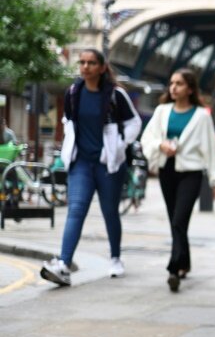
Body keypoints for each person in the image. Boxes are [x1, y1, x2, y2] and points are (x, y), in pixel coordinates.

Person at [40, 49, 142, 286]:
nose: (85, 67)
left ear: (102, 67)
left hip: (109, 164)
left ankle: (116, 258)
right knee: (75, 210)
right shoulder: (74, 92)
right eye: (82, 62)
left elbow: (134, 122)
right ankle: (64, 264)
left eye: (91, 63)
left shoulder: (115, 95)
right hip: (81, 163)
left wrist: (120, 143)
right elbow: (68, 121)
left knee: (110, 212)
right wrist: (70, 145)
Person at [140, 68, 215, 292]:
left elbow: (212, 149)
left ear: (190, 88)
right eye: (171, 83)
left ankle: (173, 268)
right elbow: (147, 137)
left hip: (191, 173)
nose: (173, 88)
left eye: (178, 83)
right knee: (176, 221)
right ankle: (185, 261)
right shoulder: (161, 111)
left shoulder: (201, 116)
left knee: (179, 219)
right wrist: (160, 145)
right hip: (167, 170)